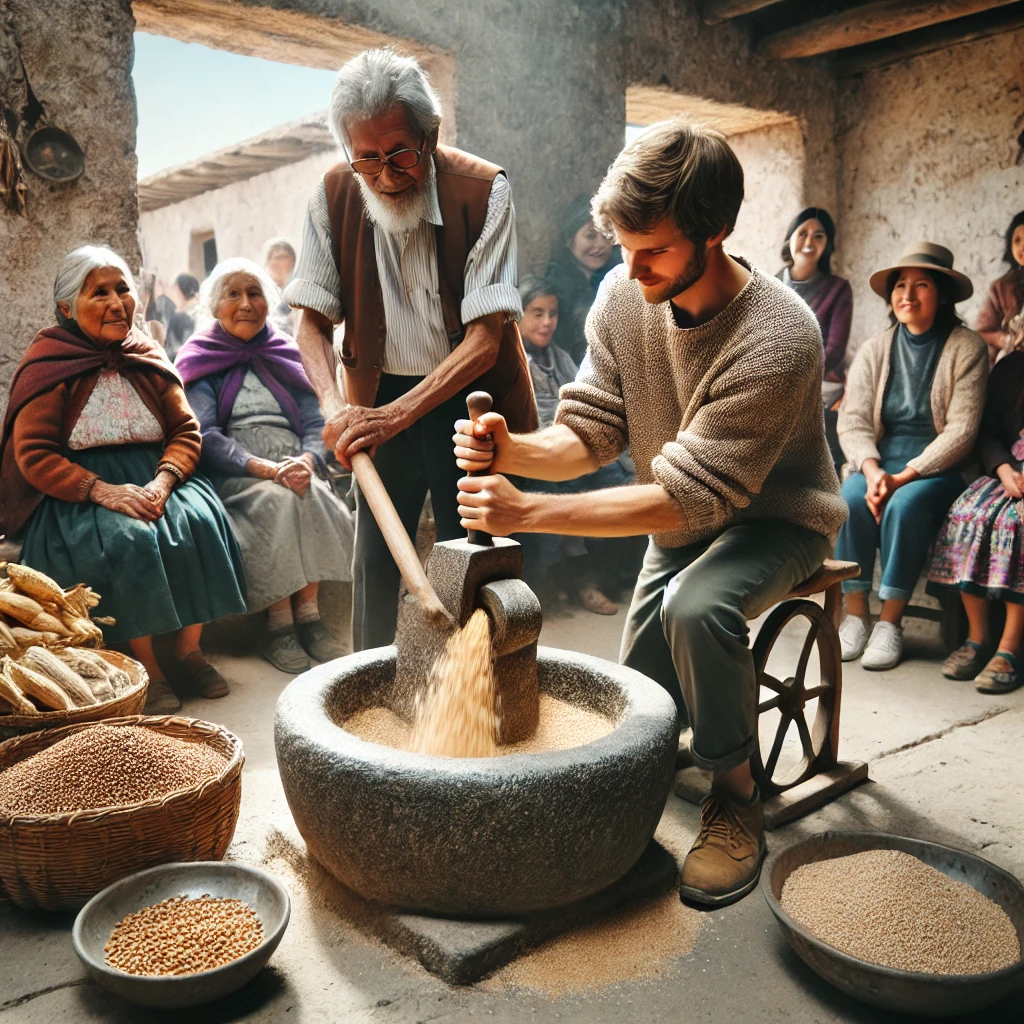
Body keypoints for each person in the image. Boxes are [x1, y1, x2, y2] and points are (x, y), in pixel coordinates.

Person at [453, 121, 845, 907]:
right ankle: (649, 779)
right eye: (621, 245)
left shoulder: (780, 334)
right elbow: (591, 430)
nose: (629, 270)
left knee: (695, 607)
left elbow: (686, 493)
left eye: (653, 251)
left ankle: (736, 799)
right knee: (642, 709)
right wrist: (515, 449)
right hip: (690, 513)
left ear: (717, 232)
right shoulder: (624, 293)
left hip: (777, 516)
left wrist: (529, 510)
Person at [284, 48, 536, 652]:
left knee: (473, 552)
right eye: (366, 157)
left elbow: (484, 340)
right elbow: (312, 325)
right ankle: (364, 686)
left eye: (399, 152)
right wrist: (333, 407)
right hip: (375, 397)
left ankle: (480, 692)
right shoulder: (334, 194)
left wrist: (396, 416)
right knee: (374, 555)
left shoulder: (484, 190)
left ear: (431, 134)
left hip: (466, 397)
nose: (385, 173)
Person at [0, 246, 247, 714]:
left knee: (200, 519)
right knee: (128, 539)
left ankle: (188, 653)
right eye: (100, 293)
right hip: (81, 488)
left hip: (156, 475)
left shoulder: (145, 353)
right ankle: (146, 666)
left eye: (122, 289)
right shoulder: (50, 363)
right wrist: (103, 491)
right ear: (67, 309)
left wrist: (163, 482)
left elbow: (184, 431)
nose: (117, 302)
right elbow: (34, 453)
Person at [177, 258, 354, 674]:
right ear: (214, 306)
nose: (245, 304)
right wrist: (260, 467)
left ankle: (308, 615)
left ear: (267, 302)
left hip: (295, 464)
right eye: (233, 294)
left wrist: (309, 460)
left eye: (254, 293)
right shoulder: (200, 358)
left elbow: (315, 422)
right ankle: (277, 625)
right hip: (238, 474)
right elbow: (204, 433)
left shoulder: (284, 353)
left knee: (312, 495)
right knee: (276, 503)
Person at [836, 242, 988, 671]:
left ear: (941, 295)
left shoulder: (967, 347)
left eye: (921, 285)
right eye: (900, 285)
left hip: (938, 469)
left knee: (905, 504)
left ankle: (889, 623)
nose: (907, 294)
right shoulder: (874, 349)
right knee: (849, 499)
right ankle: (856, 617)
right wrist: (871, 470)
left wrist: (903, 477)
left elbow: (962, 431)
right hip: (878, 462)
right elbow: (853, 421)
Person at [516, 275, 638, 614]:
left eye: (552, 313)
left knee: (616, 481)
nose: (546, 322)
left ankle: (592, 578)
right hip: (538, 449)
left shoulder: (562, 358)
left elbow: (582, 403)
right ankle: (548, 582)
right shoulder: (512, 358)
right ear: (519, 315)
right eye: (537, 312)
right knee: (555, 488)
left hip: (571, 441)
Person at [929, 347, 1024, 694]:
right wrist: (1003, 469)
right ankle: (978, 637)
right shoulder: (1012, 367)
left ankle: (1009, 650)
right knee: (966, 514)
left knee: (1017, 525)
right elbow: (990, 431)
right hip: (1009, 470)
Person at [776, 207, 852, 470]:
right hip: (775, 379)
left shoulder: (838, 289)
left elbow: (835, 350)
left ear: (827, 245)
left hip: (822, 382)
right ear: (790, 239)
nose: (809, 242)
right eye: (803, 233)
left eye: (819, 236)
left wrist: (793, 376)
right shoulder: (769, 285)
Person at [546, 196, 622, 365]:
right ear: (568, 240)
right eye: (590, 236)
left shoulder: (619, 280)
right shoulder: (555, 289)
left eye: (606, 235)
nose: (600, 244)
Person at [975, 210, 1024, 366]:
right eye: (1017, 240)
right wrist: (1003, 339)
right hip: (1012, 369)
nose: (1023, 246)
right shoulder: (1001, 288)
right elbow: (980, 333)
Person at [263, 237, 298, 336]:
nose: (281, 261)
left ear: (293, 263)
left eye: (285, 257)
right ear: (268, 264)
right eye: (277, 257)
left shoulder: (299, 290)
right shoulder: (262, 292)